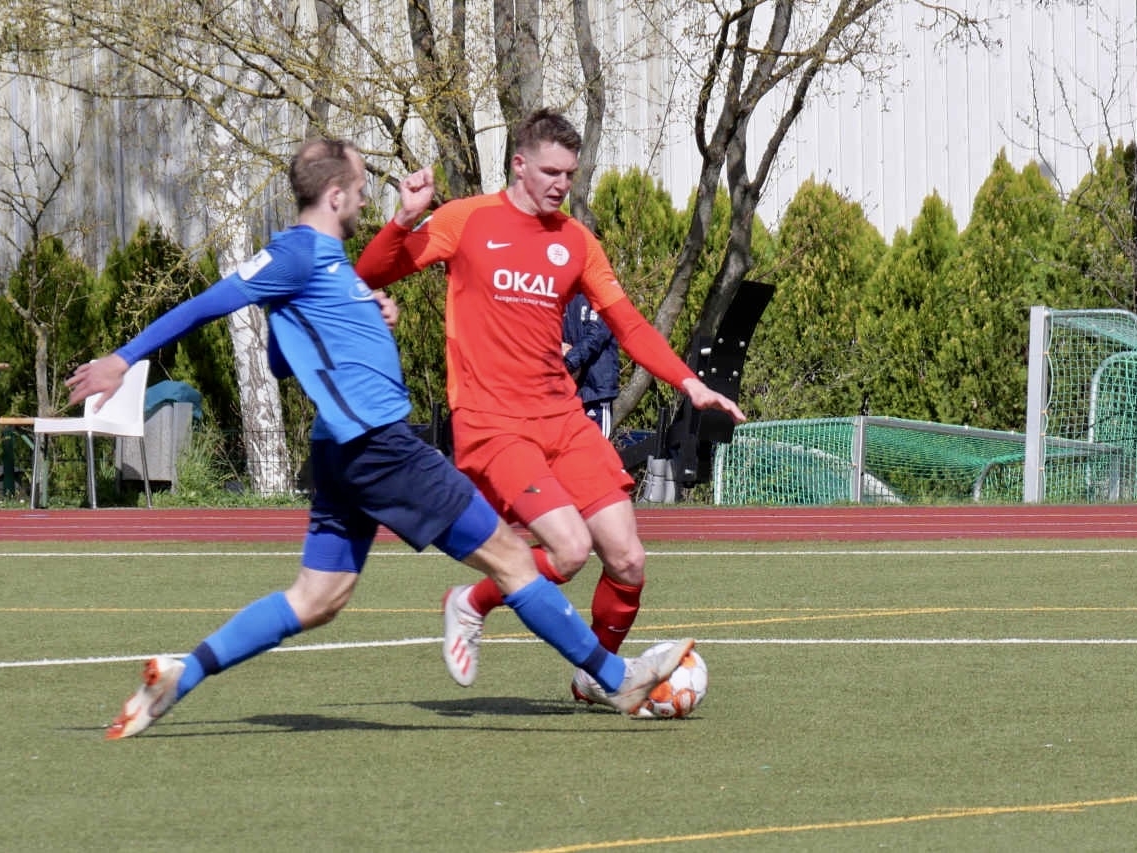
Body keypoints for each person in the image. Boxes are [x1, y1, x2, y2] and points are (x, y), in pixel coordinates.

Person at [68, 138, 695, 738]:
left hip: (339, 452)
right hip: (380, 448)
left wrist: (365, 315)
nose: (368, 198)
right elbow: (207, 303)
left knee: (318, 598)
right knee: (509, 558)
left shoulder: (325, 262)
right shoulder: (298, 253)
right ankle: (618, 680)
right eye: (362, 187)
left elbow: (284, 361)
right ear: (336, 195)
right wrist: (122, 360)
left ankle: (183, 673)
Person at [356, 108, 745, 703]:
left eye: (570, 173)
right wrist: (404, 218)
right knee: (569, 550)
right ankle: (470, 603)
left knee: (628, 560)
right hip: (493, 424)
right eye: (550, 172)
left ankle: (594, 678)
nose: (562, 184)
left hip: (562, 419)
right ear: (519, 164)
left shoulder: (576, 241)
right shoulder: (466, 220)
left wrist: (688, 383)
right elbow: (371, 271)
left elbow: (628, 324)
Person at [562, 292, 620, 439]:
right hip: (569, 393)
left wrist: (569, 361)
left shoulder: (600, 294)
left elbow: (596, 335)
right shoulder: (562, 295)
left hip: (596, 391)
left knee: (598, 448)